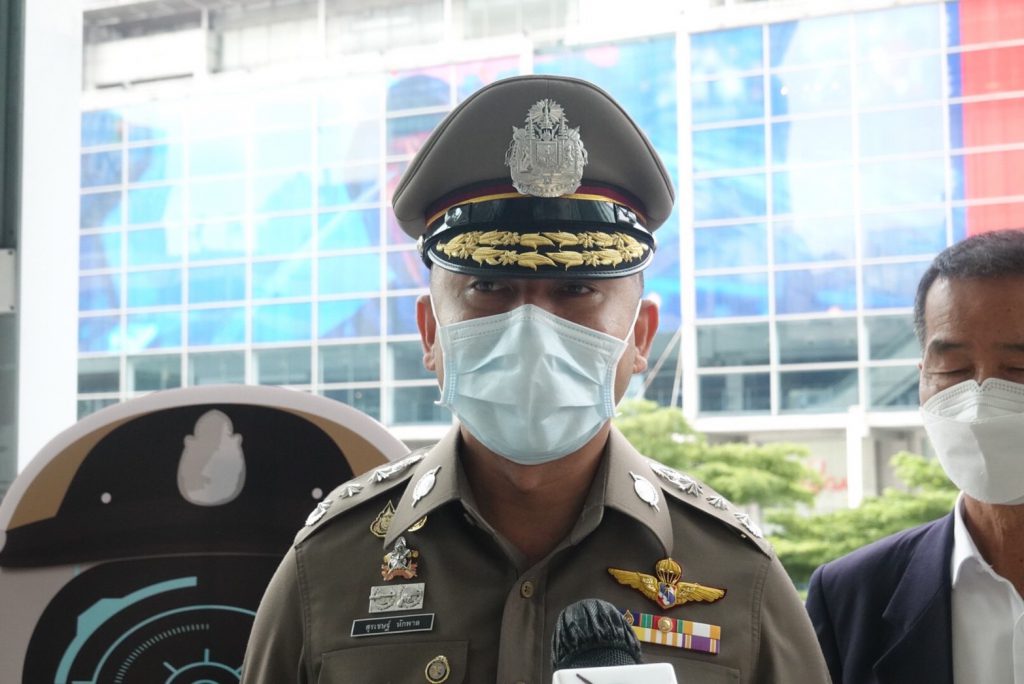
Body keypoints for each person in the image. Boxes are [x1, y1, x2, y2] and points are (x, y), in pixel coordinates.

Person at [241, 74, 829, 683]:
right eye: (488, 286)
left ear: (641, 337)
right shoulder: (328, 571)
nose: (531, 328)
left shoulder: (739, 581)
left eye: (576, 289)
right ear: (430, 332)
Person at [805, 229, 1024, 684]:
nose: (980, 400)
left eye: (1019, 368)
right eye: (954, 369)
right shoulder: (851, 597)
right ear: (922, 378)